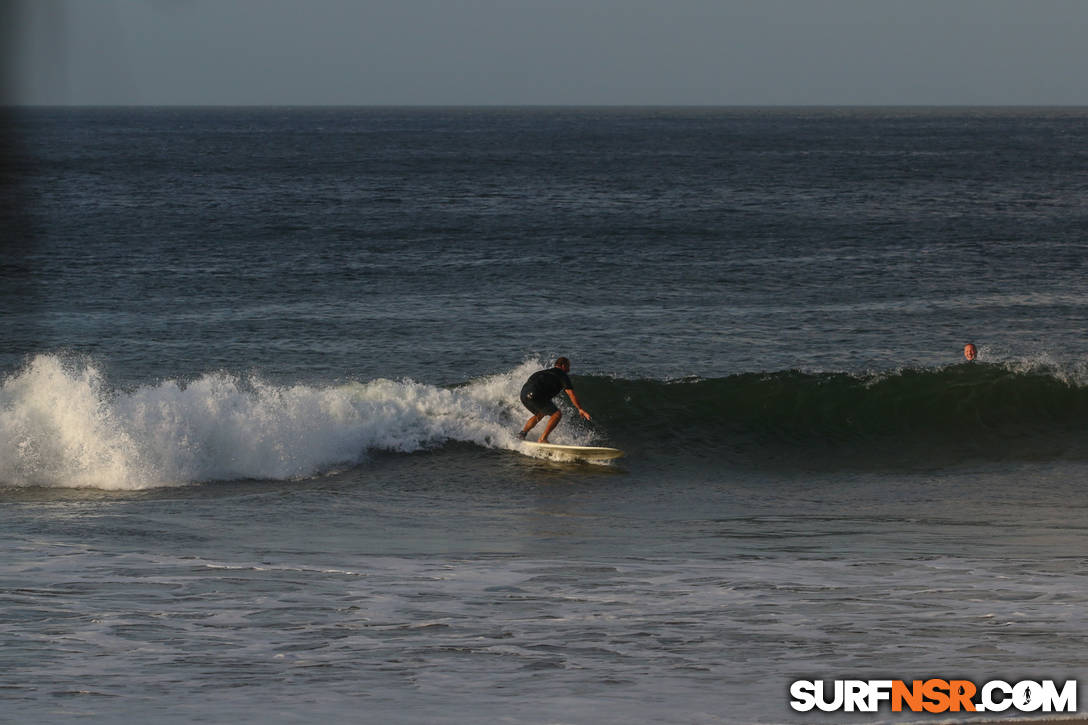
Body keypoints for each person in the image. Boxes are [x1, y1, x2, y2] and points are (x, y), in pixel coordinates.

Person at [518, 357, 591, 443]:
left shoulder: (543, 372)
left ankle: (522, 434)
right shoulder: (562, 375)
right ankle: (543, 438)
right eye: (568, 366)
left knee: (540, 413)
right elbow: (571, 394)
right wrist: (580, 409)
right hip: (536, 394)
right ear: (563, 365)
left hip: (523, 394)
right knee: (557, 414)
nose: (569, 369)